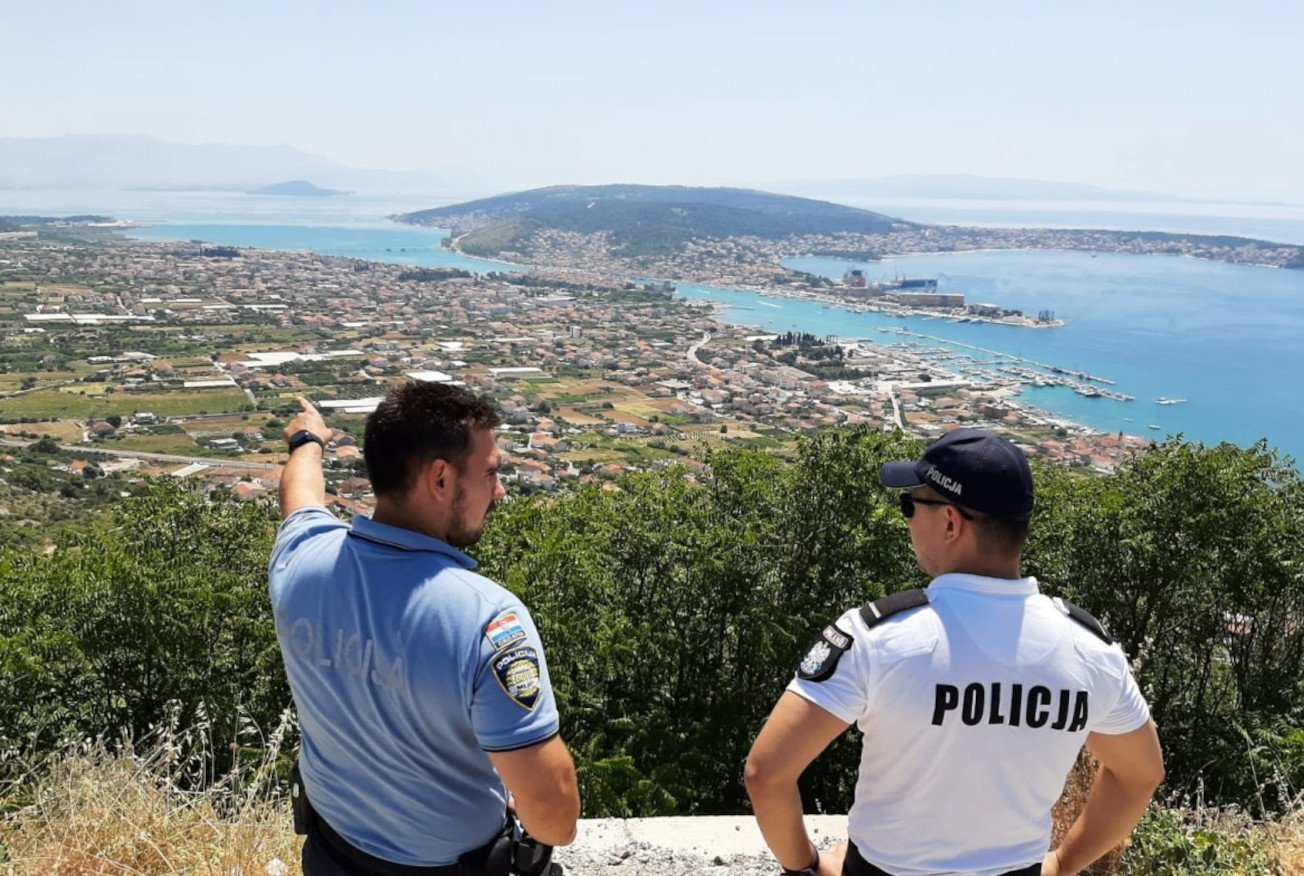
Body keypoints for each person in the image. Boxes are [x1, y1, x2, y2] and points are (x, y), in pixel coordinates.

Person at [745, 428, 1164, 876]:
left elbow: (766, 773)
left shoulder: (879, 639)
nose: (906, 519)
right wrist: (1063, 863)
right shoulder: (1089, 652)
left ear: (950, 522)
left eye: (910, 505)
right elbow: (1141, 774)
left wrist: (805, 866)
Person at [270, 382, 580, 875]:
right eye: (491, 472)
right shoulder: (486, 619)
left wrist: (308, 441)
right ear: (440, 478)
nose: (499, 491)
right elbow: (555, 816)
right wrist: (540, 816)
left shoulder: (300, 558)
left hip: (332, 854)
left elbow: (299, 495)